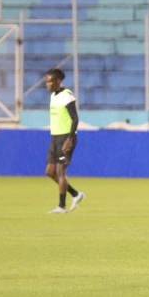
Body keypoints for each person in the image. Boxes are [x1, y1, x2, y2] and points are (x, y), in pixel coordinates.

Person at [43, 68, 85, 214]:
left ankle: (61, 206)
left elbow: (75, 118)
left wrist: (70, 139)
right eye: (46, 81)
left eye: (50, 81)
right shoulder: (53, 96)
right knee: (50, 172)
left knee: (61, 172)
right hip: (55, 138)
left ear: (58, 81)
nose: (47, 84)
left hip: (65, 138)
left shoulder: (67, 96)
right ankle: (76, 194)